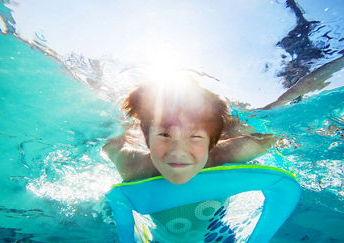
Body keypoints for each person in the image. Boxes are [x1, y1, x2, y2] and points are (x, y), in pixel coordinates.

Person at [103, 73, 277, 184]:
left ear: (211, 144)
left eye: (195, 137)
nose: (178, 152)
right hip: (159, 241)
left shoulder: (226, 156)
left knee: (234, 126)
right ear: (147, 140)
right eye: (164, 135)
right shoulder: (133, 166)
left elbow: (278, 133)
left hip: (217, 235)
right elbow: (112, 144)